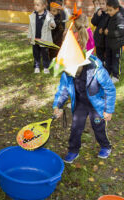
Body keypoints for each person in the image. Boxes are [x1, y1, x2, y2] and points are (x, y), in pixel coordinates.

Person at [52, 11, 116, 164]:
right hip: (80, 103)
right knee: (76, 127)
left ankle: (105, 145)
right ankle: (73, 150)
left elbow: (110, 89)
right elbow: (63, 89)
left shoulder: (96, 68)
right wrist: (58, 105)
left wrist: (108, 109)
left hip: (96, 105)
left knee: (98, 126)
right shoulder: (68, 69)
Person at [28, 0, 56, 74]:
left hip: (44, 39)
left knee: (45, 53)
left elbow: (52, 24)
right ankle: (36, 66)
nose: (35, 7)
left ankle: (46, 67)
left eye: (37, 5)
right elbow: (30, 27)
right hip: (35, 38)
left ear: (44, 6)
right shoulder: (33, 15)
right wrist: (29, 36)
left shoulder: (48, 15)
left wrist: (52, 25)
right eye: (35, 5)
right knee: (36, 53)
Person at [104, 0, 124, 83]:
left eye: (110, 10)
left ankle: (116, 76)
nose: (108, 12)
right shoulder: (111, 16)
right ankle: (107, 73)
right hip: (110, 43)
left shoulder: (120, 17)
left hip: (117, 44)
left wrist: (109, 33)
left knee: (116, 60)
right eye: (107, 10)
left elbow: (121, 31)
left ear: (117, 9)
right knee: (108, 59)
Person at [91, 0, 109, 64]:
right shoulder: (99, 12)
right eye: (100, 4)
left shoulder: (109, 14)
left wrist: (104, 30)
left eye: (103, 4)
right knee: (99, 58)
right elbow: (93, 22)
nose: (101, 5)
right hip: (98, 40)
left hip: (105, 41)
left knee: (106, 59)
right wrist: (97, 16)